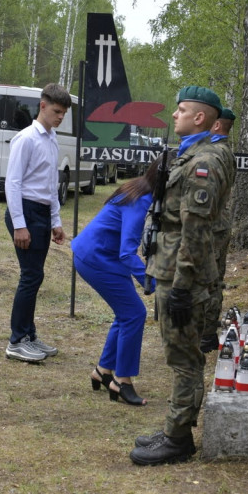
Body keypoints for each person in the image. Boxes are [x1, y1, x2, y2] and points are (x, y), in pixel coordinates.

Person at [129, 86, 232, 467]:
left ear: (200, 117)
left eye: (182, 110)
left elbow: (196, 230)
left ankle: (178, 438)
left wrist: (184, 286)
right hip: (172, 267)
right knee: (180, 356)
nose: (175, 115)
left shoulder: (203, 162)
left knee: (185, 359)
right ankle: (177, 427)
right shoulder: (194, 154)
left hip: (181, 273)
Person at [73, 158, 160, 406]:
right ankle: (122, 381)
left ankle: (103, 371)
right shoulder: (140, 199)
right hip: (98, 258)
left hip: (99, 255)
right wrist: (151, 282)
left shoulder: (139, 188)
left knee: (126, 313)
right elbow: (127, 252)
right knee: (134, 314)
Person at [3, 82, 69, 363]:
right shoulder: (26, 138)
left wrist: (56, 221)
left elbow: (51, 184)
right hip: (26, 212)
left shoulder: (51, 139)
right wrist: (19, 224)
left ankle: (28, 334)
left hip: (41, 212)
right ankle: (16, 340)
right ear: (42, 105)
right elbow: (13, 182)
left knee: (36, 275)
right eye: (56, 111)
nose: (59, 117)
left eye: (63, 113)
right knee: (30, 276)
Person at [198, 106, 237, 353]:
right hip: (220, 226)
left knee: (207, 281)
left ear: (216, 125)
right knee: (215, 280)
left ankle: (204, 334)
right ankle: (208, 333)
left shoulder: (215, 153)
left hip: (211, 227)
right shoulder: (226, 152)